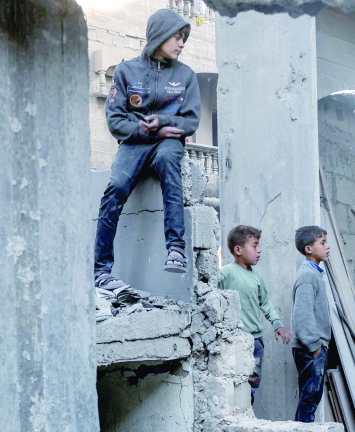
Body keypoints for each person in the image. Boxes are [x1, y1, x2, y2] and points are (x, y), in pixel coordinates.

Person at [93, 8, 201, 295]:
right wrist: (150, 130)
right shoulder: (127, 71)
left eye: (184, 39)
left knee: (168, 161)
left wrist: (165, 123)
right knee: (114, 188)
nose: (182, 43)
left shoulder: (186, 75)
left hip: (168, 144)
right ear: (160, 35)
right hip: (134, 143)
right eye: (177, 37)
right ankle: (101, 271)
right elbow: (116, 121)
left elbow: (190, 120)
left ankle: (176, 249)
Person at [218, 225, 292, 403]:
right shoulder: (226, 273)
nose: (259, 251)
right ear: (238, 250)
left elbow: (265, 303)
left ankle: (247, 414)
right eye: (254, 246)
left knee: (252, 383)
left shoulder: (257, 276)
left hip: (256, 343)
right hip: (234, 341)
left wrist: (278, 324)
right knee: (234, 384)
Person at [291, 226, 332, 423]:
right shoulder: (308, 275)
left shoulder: (315, 274)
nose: (327, 246)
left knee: (310, 399)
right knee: (309, 399)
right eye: (322, 243)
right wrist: (315, 347)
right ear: (309, 249)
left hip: (313, 347)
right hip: (310, 348)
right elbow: (302, 316)